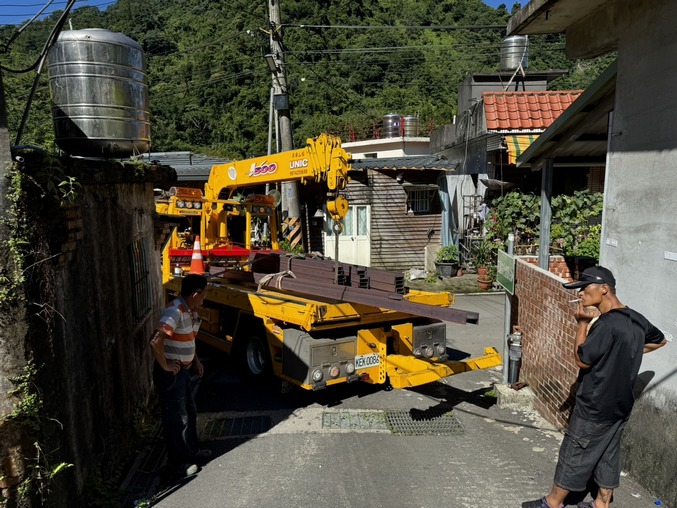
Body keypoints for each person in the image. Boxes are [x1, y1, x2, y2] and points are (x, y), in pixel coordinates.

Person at [523, 266, 666, 508]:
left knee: (573, 452)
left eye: (583, 288)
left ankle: (553, 503)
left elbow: (581, 359)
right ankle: (602, 503)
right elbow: (659, 340)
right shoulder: (637, 320)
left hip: (595, 405)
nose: (580, 293)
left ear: (604, 289)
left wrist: (581, 323)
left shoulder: (606, 324)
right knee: (608, 453)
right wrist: (625, 350)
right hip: (621, 405)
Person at [150, 273, 212, 478]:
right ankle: (176, 464)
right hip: (172, 375)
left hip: (183, 372)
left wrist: (196, 361)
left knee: (189, 412)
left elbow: (189, 340)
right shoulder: (174, 310)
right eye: (204, 294)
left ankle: (190, 451)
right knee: (176, 418)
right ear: (195, 294)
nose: (205, 298)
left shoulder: (190, 311)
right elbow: (155, 340)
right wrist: (165, 366)